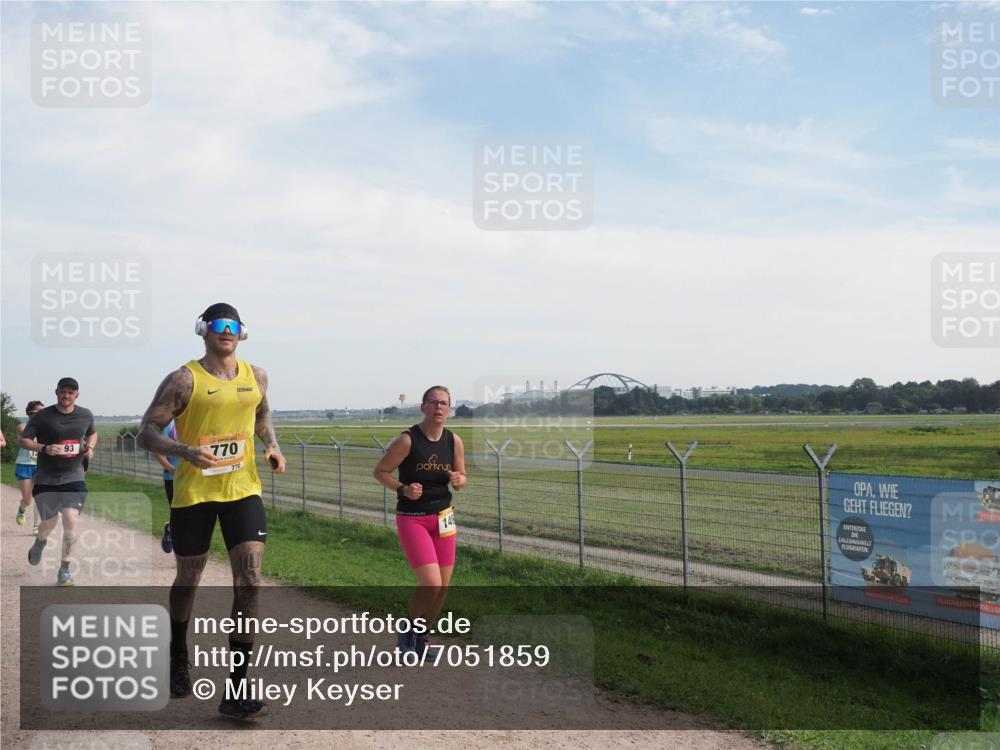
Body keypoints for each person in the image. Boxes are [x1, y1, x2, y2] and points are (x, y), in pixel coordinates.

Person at [137, 303, 285, 722]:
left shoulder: (256, 376)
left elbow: (261, 411)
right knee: (189, 577)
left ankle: (237, 686)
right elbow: (146, 431)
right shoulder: (184, 379)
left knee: (250, 578)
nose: (227, 331)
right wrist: (184, 450)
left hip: (242, 490)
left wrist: (272, 445)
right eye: (219, 325)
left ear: (242, 332)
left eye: (233, 325)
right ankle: (177, 653)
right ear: (203, 331)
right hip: (195, 494)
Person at [373, 385, 466, 654]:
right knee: (431, 583)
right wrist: (402, 488)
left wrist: (460, 480)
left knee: (443, 587)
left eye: (444, 403)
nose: (439, 408)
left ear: (449, 409)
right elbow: (380, 471)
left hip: (443, 518)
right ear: (423, 407)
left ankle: (421, 641)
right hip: (413, 518)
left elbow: (461, 478)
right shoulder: (408, 440)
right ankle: (408, 632)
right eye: (434, 402)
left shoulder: (453, 441)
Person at [19, 379, 98, 587]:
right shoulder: (42, 417)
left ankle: (64, 570)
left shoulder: (85, 415)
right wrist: (44, 448)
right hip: (47, 479)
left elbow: (93, 433)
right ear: (56, 392)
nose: (66, 396)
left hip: (74, 476)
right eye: (63, 392)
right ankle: (40, 542)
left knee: (71, 521)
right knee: (49, 524)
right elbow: (24, 440)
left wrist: (90, 447)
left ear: (77, 395)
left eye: (71, 393)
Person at [15, 401, 45, 535]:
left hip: (41, 465)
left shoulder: (46, 429)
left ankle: (36, 526)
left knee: (39, 497)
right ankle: (22, 509)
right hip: (25, 464)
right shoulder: (22, 426)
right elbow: (28, 437)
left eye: (43, 413)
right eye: (37, 413)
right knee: (27, 499)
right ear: (30, 414)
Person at [152, 420, 180, 553]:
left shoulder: (198, 418)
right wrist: (170, 468)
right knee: (181, 514)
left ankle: (172, 527)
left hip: (197, 477)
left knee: (197, 515)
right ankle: (172, 530)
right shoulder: (168, 424)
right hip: (173, 477)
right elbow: (157, 450)